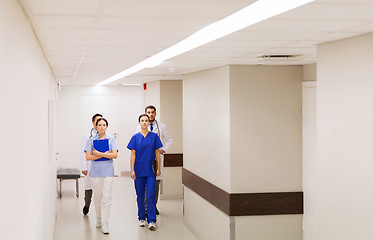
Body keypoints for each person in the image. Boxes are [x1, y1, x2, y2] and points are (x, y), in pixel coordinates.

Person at [128, 114, 162, 231]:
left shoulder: (154, 137)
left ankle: (152, 220)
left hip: (150, 170)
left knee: (151, 195)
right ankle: (141, 218)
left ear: (149, 123)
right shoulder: (135, 137)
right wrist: (132, 170)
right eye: (142, 121)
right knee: (140, 196)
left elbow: (157, 153)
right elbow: (133, 155)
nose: (144, 122)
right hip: (138, 170)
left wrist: (158, 168)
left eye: (146, 120)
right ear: (139, 123)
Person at [84, 117, 118, 234]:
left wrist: (98, 154)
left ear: (107, 126)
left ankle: (105, 224)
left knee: (107, 198)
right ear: (96, 127)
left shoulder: (111, 139)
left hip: (108, 173)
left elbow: (114, 155)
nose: (102, 127)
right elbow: (88, 157)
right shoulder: (91, 140)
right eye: (100, 125)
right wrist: (102, 154)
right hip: (95, 173)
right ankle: (98, 218)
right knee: (97, 197)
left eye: (104, 125)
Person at [137, 105, 172, 215]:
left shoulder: (162, 126)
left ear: (155, 114)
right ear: (145, 113)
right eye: (148, 112)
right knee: (145, 184)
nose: (151, 114)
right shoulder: (139, 127)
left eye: (152, 112)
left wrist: (163, 150)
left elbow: (170, 140)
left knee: (155, 184)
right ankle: (146, 207)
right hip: (144, 160)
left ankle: (153, 206)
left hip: (157, 159)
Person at [80, 113, 102, 215]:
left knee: (100, 189)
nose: (99, 123)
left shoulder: (105, 135)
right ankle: (87, 205)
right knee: (89, 187)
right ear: (93, 122)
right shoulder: (87, 135)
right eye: (97, 121)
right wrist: (84, 167)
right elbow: (82, 152)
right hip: (90, 165)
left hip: (101, 166)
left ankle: (99, 210)